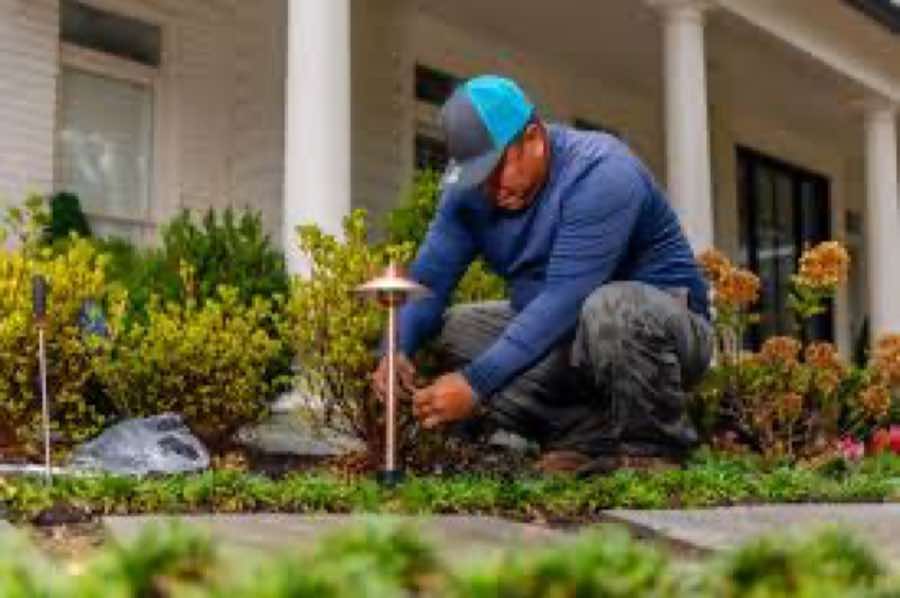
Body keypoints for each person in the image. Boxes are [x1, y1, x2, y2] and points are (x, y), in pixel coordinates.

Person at [372, 75, 713, 475]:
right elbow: (427, 286)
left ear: (532, 138)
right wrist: (394, 349)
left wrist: (475, 383)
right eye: (477, 177)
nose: (490, 189)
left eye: (496, 169)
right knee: (455, 331)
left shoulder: (602, 173)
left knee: (611, 308)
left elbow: (563, 302)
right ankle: (585, 438)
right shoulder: (468, 192)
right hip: (572, 337)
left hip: (663, 330)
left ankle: (653, 451)